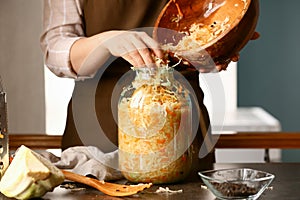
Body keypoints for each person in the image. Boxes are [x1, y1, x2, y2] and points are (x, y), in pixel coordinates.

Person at [40, 0, 242, 177]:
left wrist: (217, 47)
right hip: (97, 126)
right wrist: (105, 42)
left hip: (182, 125)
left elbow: (212, 16)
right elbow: (55, 50)